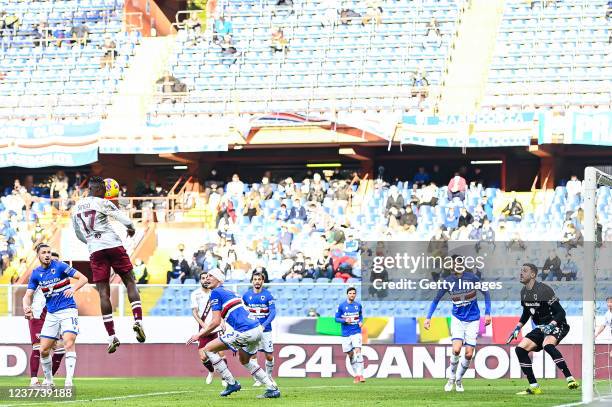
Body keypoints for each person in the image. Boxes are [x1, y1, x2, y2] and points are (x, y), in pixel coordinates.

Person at [71, 176, 145, 353]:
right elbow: (125, 220)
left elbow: (78, 234)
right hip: (113, 245)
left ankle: (111, 336)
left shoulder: (75, 208)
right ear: (96, 189)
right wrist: (131, 228)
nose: (105, 194)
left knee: (103, 293)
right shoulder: (102, 203)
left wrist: (91, 241)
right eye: (103, 191)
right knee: (130, 282)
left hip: (95, 251)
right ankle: (138, 321)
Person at [187, 269, 281, 398]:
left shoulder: (215, 293)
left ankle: (231, 382)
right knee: (245, 360)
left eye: (210, 276)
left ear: (218, 279)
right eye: (206, 276)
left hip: (246, 331)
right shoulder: (231, 292)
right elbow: (233, 315)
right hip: (257, 329)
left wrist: (199, 335)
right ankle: (272, 388)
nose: (207, 278)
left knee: (208, 349)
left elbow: (214, 322)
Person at [22, 244, 89, 388]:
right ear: (38, 256)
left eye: (49, 252)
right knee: (43, 350)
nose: (47, 255)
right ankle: (49, 381)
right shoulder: (35, 274)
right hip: (51, 314)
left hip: (68, 310)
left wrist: (73, 288)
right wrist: (26, 307)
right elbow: (27, 296)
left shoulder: (60, 266)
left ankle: (68, 382)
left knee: (68, 342)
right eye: (44, 253)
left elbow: (83, 278)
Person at [507, 263, 579, 395]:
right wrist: (517, 328)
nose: (521, 273)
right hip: (541, 327)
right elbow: (527, 313)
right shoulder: (523, 292)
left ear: (533, 274)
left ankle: (570, 378)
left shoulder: (544, 290)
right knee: (520, 349)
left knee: (547, 345)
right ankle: (534, 386)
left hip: (558, 324)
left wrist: (551, 325)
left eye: (524, 271)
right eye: (520, 270)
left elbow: (561, 312)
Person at [424, 256, 491, 392]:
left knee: (468, 354)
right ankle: (451, 378)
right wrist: (428, 317)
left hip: (473, 319)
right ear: (452, 266)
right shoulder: (448, 281)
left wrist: (488, 313)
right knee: (456, 349)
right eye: (454, 264)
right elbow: (436, 299)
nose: (457, 266)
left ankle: (459, 380)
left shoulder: (472, 278)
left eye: (459, 263)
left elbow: (487, 294)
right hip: (458, 319)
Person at [190, 271, 225, 385]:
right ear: (200, 280)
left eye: (207, 277)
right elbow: (195, 313)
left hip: (216, 327)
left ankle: (224, 377)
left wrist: (223, 321)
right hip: (203, 329)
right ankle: (211, 371)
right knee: (203, 357)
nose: (205, 280)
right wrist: (203, 325)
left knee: (221, 354)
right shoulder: (195, 294)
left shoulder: (215, 293)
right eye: (203, 278)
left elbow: (221, 309)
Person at [242, 273, 277, 387]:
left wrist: (264, 324)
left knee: (269, 356)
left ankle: (269, 376)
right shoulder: (246, 296)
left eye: (259, 279)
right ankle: (258, 378)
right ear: (252, 281)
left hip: (266, 330)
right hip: (252, 330)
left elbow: (273, 312)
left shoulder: (268, 295)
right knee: (252, 354)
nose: (257, 281)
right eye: (255, 279)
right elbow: (243, 313)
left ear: (263, 281)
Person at [335, 287, 365, 383]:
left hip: (356, 331)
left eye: (354, 293)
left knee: (358, 351)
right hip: (345, 334)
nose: (352, 295)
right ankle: (356, 375)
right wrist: (344, 320)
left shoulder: (358, 305)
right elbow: (336, 319)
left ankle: (361, 375)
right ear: (347, 294)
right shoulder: (341, 306)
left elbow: (360, 316)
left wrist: (361, 322)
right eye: (350, 293)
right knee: (351, 355)